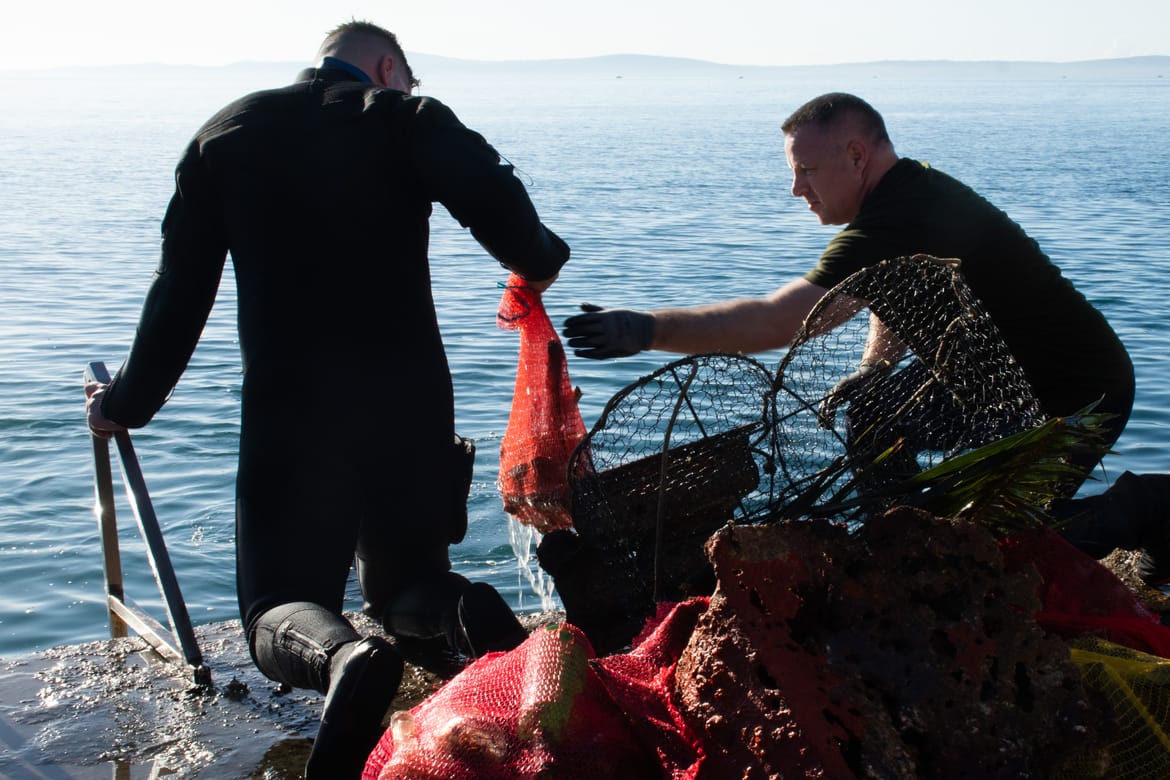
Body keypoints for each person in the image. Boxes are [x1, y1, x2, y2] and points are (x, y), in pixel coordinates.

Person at [85, 20, 569, 779]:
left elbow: (180, 295)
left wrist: (126, 403)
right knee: (411, 582)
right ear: (385, 66)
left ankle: (346, 659)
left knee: (279, 604)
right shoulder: (408, 118)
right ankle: (473, 627)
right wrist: (541, 260)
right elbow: (506, 213)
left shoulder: (227, 134)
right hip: (411, 403)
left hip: (295, 408)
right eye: (404, 79)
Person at [562, 92, 1148, 571]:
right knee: (872, 408)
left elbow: (779, 319)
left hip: (1073, 395)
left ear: (857, 155)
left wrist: (646, 328)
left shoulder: (900, 212)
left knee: (1001, 549)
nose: (797, 190)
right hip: (997, 381)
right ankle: (903, 544)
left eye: (806, 171)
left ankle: (1140, 513)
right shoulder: (906, 195)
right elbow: (890, 291)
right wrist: (873, 366)